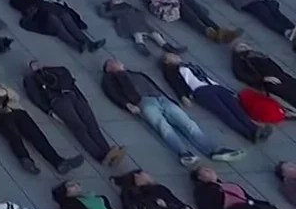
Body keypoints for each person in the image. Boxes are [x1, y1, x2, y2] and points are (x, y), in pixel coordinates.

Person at [101, 59, 241, 166]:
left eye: (116, 61)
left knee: (188, 124)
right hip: (142, 102)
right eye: (112, 63)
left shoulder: (135, 73)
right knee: (163, 126)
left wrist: (168, 98)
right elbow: (112, 93)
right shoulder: (110, 79)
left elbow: (152, 84)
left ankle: (214, 150)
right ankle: (183, 153)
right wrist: (127, 105)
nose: (117, 62)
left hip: (160, 98)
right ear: (108, 68)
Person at [0, 70, 84, 174]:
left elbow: (16, 96)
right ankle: (25, 159)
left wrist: (5, 92)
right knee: (13, 136)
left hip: (16, 110)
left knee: (37, 136)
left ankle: (58, 162)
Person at [24, 61, 124, 166]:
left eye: (38, 64)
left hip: (72, 95)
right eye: (34, 65)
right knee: (79, 127)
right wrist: (49, 111)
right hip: (58, 101)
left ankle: (108, 151)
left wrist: (82, 98)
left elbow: (70, 80)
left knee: (92, 124)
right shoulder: (31, 79)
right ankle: (99, 155)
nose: (37, 66)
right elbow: (35, 97)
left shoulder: (57, 70)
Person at [161, 53, 270, 141]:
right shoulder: (171, 69)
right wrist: (183, 96)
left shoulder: (189, 65)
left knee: (237, 109)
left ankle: (254, 128)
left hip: (214, 86)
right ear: (167, 61)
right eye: (171, 56)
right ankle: (247, 133)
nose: (175, 56)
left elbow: (206, 76)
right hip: (200, 90)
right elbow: (174, 82)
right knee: (224, 112)